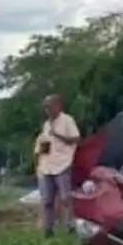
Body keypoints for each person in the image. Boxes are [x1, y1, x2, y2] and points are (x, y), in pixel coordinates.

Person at [34, 93, 80, 236]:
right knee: (47, 200)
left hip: (62, 164)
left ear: (57, 105)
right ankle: (49, 230)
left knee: (65, 198)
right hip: (48, 165)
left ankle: (69, 228)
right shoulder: (46, 124)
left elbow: (76, 138)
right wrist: (39, 159)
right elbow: (46, 143)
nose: (47, 110)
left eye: (49, 106)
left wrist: (58, 135)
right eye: (45, 108)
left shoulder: (67, 120)